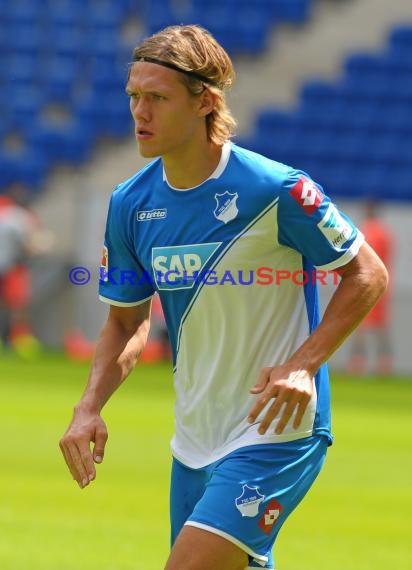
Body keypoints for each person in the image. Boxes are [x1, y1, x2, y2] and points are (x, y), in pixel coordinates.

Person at [59, 25, 388, 570]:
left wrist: (304, 366)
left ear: (205, 102)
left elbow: (366, 273)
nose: (140, 112)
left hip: (277, 431)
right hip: (194, 438)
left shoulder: (275, 189)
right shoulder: (131, 204)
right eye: (134, 97)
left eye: (158, 98)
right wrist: (89, 404)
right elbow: (124, 324)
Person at [346, 201, 393, 375]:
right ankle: (384, 363)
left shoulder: (365, 231)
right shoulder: (384, 233)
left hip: (366, 284)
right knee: (381, 326)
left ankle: (358, 363)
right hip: (383, 284)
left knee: (360, 325)